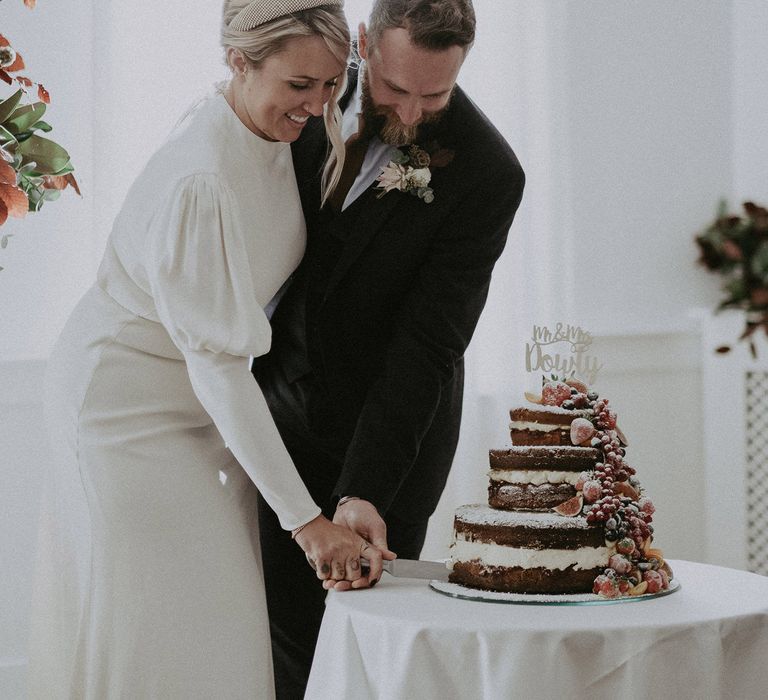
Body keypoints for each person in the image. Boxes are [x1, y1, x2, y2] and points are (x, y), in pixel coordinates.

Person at [26, 2, 388, 698]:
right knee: (151, 621)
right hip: (119, 411)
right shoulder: (203, 177)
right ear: (238, 62)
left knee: (222, 620)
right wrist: (308, 526)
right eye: (297, 85)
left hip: (200, 407)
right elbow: (220, 364)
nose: (316, 106)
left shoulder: (274, 131)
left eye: (329, 83)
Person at [252, 0, 526, 696]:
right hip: (277, 418)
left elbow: (428, 345)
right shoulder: (304, 89)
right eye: (395, 89)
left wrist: (365, 488)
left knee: (360, 656)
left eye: (433, 94)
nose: (408, 113)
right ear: (365, 45)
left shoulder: (489, 172)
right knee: (276, 642)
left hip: (388, 443)